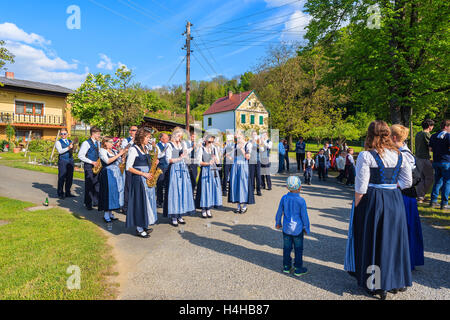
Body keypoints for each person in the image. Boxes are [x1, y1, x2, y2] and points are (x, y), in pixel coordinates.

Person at [351, 120, 412, 300]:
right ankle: (394, 281)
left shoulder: (366, 155)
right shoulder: (400, 155)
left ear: (370, 135)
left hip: (374, 200)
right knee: (393, 241)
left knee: (373, 241)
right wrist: (392, 186)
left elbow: (361, 187)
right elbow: (407, 182)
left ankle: (375, 283)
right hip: (394, 199)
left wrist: (357, 207)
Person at [391, 124, 425, 270]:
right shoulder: (402, 152)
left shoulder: (404, 154)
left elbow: (408, 180)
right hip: (405, 195)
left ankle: (406, 260)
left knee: (404, 228)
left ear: (393, 137)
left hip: (404, 196)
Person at [126, 128, 158, 238]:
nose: (149, 139)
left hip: (147, 178)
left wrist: (154, 162)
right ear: (141, 137)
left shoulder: (146, 148)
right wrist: (143, 174)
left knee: (147, 202)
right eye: (147, 137)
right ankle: (139, 228)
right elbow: (128, 167)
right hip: (139, 179)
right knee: (140, 203)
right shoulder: (133, 149)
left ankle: (144, 224)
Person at [275, 175, 310, 277]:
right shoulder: (301, 201)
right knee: (298, 249)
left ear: (287, 187)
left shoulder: (284, 198)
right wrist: (306, 227)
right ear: (300, 187)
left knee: (287, 248)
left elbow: (279, 212)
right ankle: (298, 269)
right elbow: (304, 216)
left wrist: (278, 222)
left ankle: (286, 266)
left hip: (286, 229)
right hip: (298, 229)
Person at [164, 127, 195, 226]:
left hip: (183, 169)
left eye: (180, 135)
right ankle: (174, 216)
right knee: (175, 192)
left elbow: (186, 152)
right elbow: (168, 160)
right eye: (178, 135)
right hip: (174, 169)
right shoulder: (169, 145)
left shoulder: (182, 144)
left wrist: (192, 148)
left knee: (183, 191)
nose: (179, 137)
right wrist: (179, 158)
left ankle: (180, 214)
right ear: (174, 134)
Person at [98, 136, 127, 223]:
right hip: (107, 173)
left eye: (112, 142)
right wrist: (119, 154)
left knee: (114, 193)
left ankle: (111, 213)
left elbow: (118, 162)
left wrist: (122, 158)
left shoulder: (113, 151)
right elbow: (107, 161)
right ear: (105, 143)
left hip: (115, 174)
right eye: (110, 142)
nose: (112, 144)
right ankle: (106, 214)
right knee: (108, 193)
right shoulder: (102, 150)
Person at [195, 135, 223, 218]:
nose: (211, 143)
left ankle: (209, 209)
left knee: (212, 189)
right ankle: (203, 208)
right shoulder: (201, 149)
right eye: (209, 142)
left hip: (213, 170)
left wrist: (215, 159)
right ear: (206, 141)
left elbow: (218, 162)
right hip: (205, 170)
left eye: (212, 142)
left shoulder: (214, 149)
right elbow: (198, 162)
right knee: (205, 189)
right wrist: (208, 163)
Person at [228, 132, 254, 213]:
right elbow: (232, 157)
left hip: (243, 166)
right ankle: (238, 206)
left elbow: (247, 157)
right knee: (236, 185)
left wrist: (242, 149)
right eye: (237, 138)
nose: (237, 139)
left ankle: (244, 206)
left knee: (243, 185)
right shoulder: (235, 145)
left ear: (243, 137)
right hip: (235, 166)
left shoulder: (248, 145)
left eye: (239, 137)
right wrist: (229, 156)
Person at [78, 126, 102, 210]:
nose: (99, 135)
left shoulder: (98, 143)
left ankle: (96, 201)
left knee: (97, 184)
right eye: (98, 134)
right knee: (89, 184)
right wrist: (92, 162)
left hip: (97, 165)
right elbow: (80, 155)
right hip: (89, 166)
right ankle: (88, 203)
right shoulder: (86, 143)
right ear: (93, 134)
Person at [429, 119, 450, 210]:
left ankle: (433, 201)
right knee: (447, 183)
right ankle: (444, 203)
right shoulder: (448, 136)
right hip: (446, 161)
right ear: (446, 126)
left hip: (436, 161)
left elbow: (430, 149)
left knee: (437, 182)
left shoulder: (433, 136)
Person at [415, 119, 435, 203]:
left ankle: (420, 196)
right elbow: (430, 147)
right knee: (430, 177)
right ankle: (421, 195)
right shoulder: (426, 134)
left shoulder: (418, 134)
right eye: (432, 125)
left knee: (421, 178)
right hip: (424, 158)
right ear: (429, 126)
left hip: (417, 158)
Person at [121, 126, 138, 214]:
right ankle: (126, 207)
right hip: (129, 164)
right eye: (134, 130)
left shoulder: (139, 140)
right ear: (130, 131)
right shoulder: (126, 140)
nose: (136, 132)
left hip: (138, 165)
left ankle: (134, 206)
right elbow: (124, 150)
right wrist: (132, 141)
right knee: (128, 186)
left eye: (136, 130)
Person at [55, 128, 75, 199]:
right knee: (62, 177)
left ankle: (67, 192)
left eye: (64, 133)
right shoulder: (58, 142)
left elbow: (73, 151)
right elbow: (60, 151)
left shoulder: (70, 141)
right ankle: (60, 193)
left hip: (70, 160)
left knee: (70, 177)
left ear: (67, 134)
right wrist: (68, 147)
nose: (63, 135)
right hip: (63, 160)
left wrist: (74, 148)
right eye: (62, 134)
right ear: (60, 135)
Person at [156, 133, 169, 210]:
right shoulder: (157, 145)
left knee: (167, 184)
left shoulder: (168, 145)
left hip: (168, 166)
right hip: (161, 166)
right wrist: (164, 151)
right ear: (161, 138)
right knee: (160, 184)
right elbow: (157, 156)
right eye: (166, 138)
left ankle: (166, 201)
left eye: (167, 138)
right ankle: (159, 201)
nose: (167, 139)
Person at [249, 131, 262, 197]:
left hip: (258, 160)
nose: (254, 135)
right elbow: (248, 150)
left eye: (255, 134)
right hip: (251, 161)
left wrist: (258, 144)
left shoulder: (259, 142)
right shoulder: (249, 142)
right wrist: (252, 143)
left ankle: (258, 190)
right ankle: (252, 190)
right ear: (251, 135)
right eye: (253, 134)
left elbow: (262, 150)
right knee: (251, 176)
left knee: (258, 176)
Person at [186, 132, 199, 196]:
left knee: (194, 179)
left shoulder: (196, 144)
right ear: (190, 136)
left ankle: (192, 193)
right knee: (188, 180)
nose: (194, 138)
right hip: (188, 163)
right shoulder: (186, 143)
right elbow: (185, 152)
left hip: (194, 163)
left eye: (195, 137)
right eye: (193, 137)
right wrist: (192, 147)